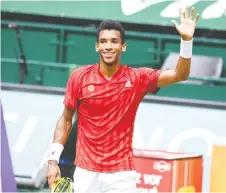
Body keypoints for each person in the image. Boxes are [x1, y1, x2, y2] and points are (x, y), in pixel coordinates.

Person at [46, 7, 199, 193]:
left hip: (121, 175)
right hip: (85, 173)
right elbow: (66, 119)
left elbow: (180, 74)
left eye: (114, 41)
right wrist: (53, 160)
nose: (108, 46)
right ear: (97, 46)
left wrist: (186, 40)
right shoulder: (79, 77)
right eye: (103, 41)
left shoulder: (137, 78)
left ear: (123, 46)